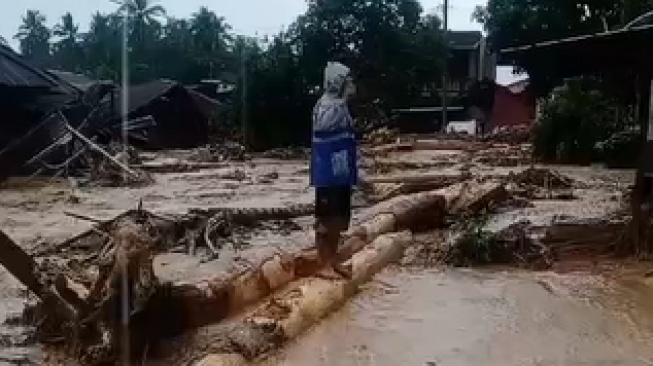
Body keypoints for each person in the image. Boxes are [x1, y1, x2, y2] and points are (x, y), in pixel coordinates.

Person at [310, 61, 357, 278]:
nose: (352, 84)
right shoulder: (326, 105)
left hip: (340, 172)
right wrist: (343, 101)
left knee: (338, 219)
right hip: (328, 173)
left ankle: (333, 261)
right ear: (338, 82)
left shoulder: (340, 104)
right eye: (348, 80)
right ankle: (324, 265)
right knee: (326, 220)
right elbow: (323, 127)